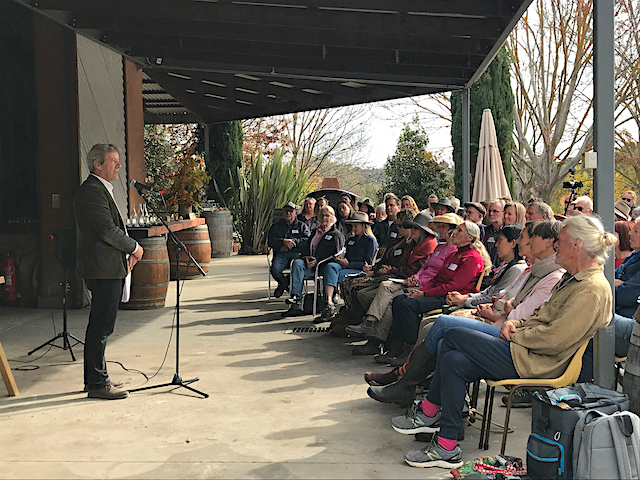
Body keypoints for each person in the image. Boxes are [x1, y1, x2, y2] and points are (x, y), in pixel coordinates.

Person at [393, 214, 616, 469]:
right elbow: (540, 317)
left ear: (577, 245)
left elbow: (556, 339)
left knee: (452, 333)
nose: (557, 245)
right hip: (525, 351)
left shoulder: (591, 288)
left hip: (536, 361)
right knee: (453, 359)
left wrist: (514, 332)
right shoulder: (574, 279)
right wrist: (515, 324)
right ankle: (446, 445)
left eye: (561, 241)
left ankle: (429, 410)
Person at [74, 144, 144, 400]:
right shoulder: (91, 191)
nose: (119, 165)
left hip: (108, 266)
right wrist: (135, 248)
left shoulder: (101, 189)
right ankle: (96, 382)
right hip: (101, 268)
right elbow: (107, 230)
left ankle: (97, 377)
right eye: (113, 161)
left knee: (103, 325)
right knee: (101, 326)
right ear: (97, 164)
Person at [383, 221, 486, 360]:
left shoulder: (472, 258)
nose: (454, 233)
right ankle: (396, 346)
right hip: (437, 292)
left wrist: (424, 294)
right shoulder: (453, 254)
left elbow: (453, 286)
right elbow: (436, 278)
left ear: (470, 237)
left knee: (407, 305)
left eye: (459, 231)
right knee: (399, 299)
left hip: (451, 298)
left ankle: (410, 349)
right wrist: (420, 291)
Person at [345, 213, 439, 352]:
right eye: (409, 227)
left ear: (424, 231)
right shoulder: (414, 244)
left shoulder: (429, 246)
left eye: (415, 228)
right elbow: (415, 269)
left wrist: (396, 272)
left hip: (417, 284)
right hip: (406, 279)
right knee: (367, 294)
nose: (410, 230)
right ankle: (372, 330)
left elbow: (422, 271)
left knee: (390, 299)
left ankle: (375, 339)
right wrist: (385, 269)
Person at [282, 205, 345, 317]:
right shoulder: (315, 232)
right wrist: (306, 257)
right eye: (322, 215)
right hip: (310, 266)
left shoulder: (336, 234)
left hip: (324, 268)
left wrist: (318, 260)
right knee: (297, 263)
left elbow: (336, 255)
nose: (324, 218)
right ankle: (296, 299)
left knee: (326, 268)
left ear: (332, 218)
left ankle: (327, 304)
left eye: (327, 216)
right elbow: (306, 248)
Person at [317, 211, 378, 321]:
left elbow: (367, 263)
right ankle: (329, 301)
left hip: (358, 269)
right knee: (330, 267)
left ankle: (329, 304)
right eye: (352, 226)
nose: (353, 229)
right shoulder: (351, 239)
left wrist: (349, 263)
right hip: (346, 266)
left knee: (334, 275)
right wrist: (341, 260)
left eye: (356, 226)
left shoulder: (370, 241)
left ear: (364, 226)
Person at [267, 202, 311, 298]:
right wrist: (282, 242)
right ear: (283, 213)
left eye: (291, 211)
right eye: (286, 211)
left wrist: (293, 242)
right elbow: (270, 241)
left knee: (297, 269)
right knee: (275, 270)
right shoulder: (276, 226)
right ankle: (287, 285)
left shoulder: (302, 226)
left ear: (296, 213)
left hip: (297, 254)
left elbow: (307, 240)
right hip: (281, 254)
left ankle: (283, 286)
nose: (288, 213)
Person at [615, 218, 640, 318]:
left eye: (636, 231)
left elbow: (624, 295)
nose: (630, 233)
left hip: (631, 320)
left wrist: (620, 284)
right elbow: (608, 277)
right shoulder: (633, 256)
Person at [375, 194, 402, 259]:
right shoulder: (379, 225)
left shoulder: (402, 227)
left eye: (391, 205)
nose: (388, 208)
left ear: (398, 208)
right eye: (387, 206)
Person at [483, 199, 505, 269]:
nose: (491, 214)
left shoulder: (506, 232)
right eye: (489, 211)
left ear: (503, 214)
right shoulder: (485, 231)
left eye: (495, 211)